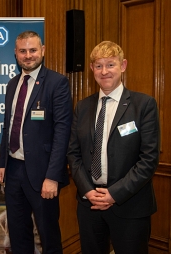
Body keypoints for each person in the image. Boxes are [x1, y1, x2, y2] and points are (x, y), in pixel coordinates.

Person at [67, 41, 159, 254]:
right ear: (92, 69)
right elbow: (73, 153)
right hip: (89, 205)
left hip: (130, 205)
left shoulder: (143, 105)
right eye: (98, 66)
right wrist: (88, 191)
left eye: (110, 64)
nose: (104, 71)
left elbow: (149, 159)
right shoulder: (82, 106)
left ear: (123, 65)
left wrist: (113, 194)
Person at [0, 31, 73, 254]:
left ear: (43, 50)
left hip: (43, 173)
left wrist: (52, 176)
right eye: (23, 51)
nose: (28, 55)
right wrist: (2, 162)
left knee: (48, 236)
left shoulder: (57, 83)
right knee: (18, 235)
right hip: (13, 170)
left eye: (32, 50)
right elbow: (8, 126)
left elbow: (62, 131)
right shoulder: (12, 84)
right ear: (15, 53)